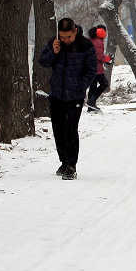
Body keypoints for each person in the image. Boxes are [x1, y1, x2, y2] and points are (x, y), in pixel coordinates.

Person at [38, 17, 97, 179]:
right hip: (57, 94)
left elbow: (91, 70)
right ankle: (63, 161)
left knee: (70, 129)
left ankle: (71, 165)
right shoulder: (54, 43)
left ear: (75, 31)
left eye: (68, 37)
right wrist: (53, 52)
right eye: (62, 37)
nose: (65, 40)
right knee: (58, 130)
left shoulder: (85, 45)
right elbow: (43, 61)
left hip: (75, 96)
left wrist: (81, 85)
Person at [86, 25, 113, 112]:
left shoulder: (93, 40)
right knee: (104, 84)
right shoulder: (98, 42)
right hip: (95, 69)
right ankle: (91, 102)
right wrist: (108, 59)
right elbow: (99, 56)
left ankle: (91, 107)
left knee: (93, 87)